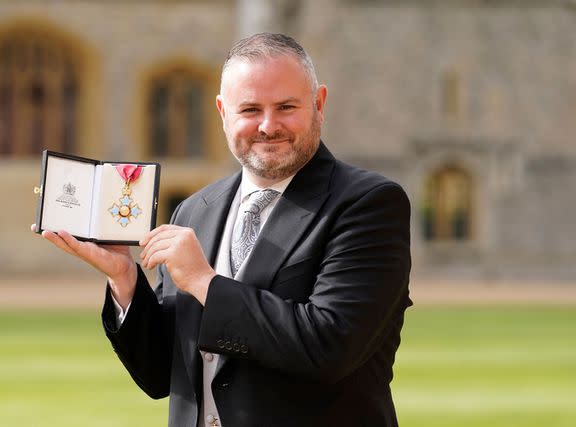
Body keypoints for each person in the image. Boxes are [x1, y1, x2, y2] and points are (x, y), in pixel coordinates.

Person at [34, 33, 411, 427]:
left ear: (319, 104)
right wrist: (126, 280)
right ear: (222, 112)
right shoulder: (194, 210)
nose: (268, 125)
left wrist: (203, 282)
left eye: (286, 107)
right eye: (250, 109)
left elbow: (329, 347)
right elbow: (161, 374)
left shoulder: (369, 203)